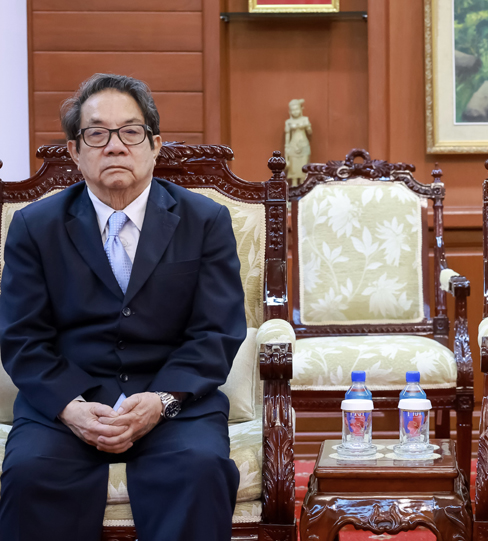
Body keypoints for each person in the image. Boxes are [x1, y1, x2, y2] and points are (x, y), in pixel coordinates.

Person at [0, 73, 246, 541]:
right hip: (67, 404)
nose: (115, 146)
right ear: (75, 151)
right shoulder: (34, 226)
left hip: (173, 402)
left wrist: (161, 401)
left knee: (199, 468)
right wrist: (71, 408)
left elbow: (217, 330)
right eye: (96, 134)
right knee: (30, 473)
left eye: (130, 132)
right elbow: (22, 336)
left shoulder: (205, 220)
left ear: (155, 146)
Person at [284, 98, 312, 185]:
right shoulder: (288, 122)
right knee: (293, 167)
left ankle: (303, 184)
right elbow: (287, 137)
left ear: (301, 109)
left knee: (303, 166)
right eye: (293, 110)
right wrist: (287, 149)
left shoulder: (305, 119)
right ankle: (294, 184)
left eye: (297, 109)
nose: (295, 112)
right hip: (293, 146)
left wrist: (308, 126)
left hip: (304, 145)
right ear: (290, 111)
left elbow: (310, 132)